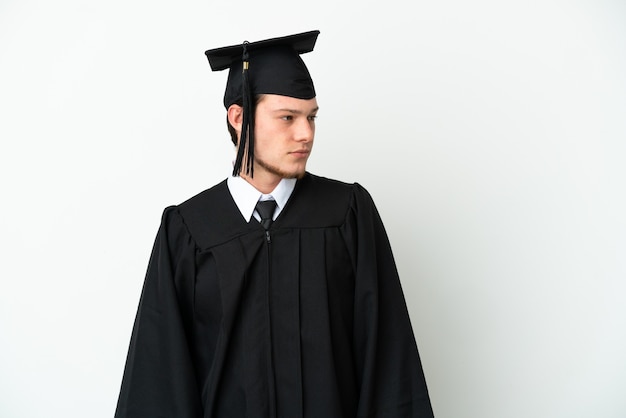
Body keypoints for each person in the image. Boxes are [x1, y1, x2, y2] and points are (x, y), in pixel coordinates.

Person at [115, 30, 434, 418]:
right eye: (287, 117)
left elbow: (389, 362)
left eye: (311, 117)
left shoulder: (347, 215)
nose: (306, 134)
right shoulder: (188, 231)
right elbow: (158, 380)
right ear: (239, 117)